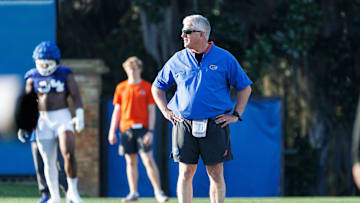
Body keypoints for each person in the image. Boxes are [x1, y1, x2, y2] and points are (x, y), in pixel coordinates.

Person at [151, 14, 252, 203]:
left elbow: (245, 87)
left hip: (215, 123)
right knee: (186, 171)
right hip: (184, 123)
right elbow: (157, 87)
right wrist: (165, 111)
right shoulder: (177, 59)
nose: (182, 35)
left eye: (187, 31)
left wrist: (236, 115)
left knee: (215, 172)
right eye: (182, 31)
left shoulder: (224, 58)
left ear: (202, 34)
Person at [17, 41, 84, 203]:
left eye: (48, 63)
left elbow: (75, 95)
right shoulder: (32, 76)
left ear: (56, 61)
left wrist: (80, 114)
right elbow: (28, 102)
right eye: (42, 63)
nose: (45, 67)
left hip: (62, 117)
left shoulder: (65, 74)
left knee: (68, 152)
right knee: (48, 160)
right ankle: (54, 196)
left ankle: (72, 192)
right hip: (43, 120)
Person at [108, 56, 168, 203]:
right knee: (130, 162)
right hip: (126, 129)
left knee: (148, 160)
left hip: (143, 129)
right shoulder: (121, 88)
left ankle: (158, 192)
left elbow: (152, 110)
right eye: (130, 69)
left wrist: (150, 131)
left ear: (140, 69)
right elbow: (117, 110)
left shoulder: (147, 87)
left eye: (135, 69)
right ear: (126, 70)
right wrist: (112, 130)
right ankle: (133, 193)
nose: (132, 72)